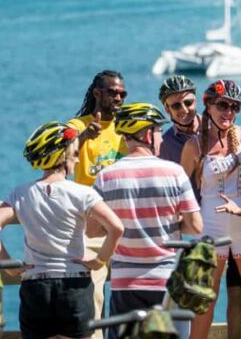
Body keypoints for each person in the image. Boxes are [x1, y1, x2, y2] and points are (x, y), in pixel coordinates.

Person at [0, 121, 124, 339]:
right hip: (74, 283)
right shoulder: (82, 193)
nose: (77, 159)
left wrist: (9, 266)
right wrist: (99, 260)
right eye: (75, 154)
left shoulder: (21, 193)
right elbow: (116, 227)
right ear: (62, 157)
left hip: (36, 284)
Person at [92, 103, 203, 339]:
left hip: (125, 283)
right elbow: (196, 225)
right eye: (157, 131)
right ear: (145, 135)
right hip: (167, 281)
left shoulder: (105, 177)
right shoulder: (174, 172)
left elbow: (92, 230)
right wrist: (172, 225)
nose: (161, 137)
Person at [181, 80, 241, 339]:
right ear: (208, 104)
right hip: (210, 227)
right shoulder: (193, 145)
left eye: (235, 107)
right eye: (223, 104)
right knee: (203, 303)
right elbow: (179, 189)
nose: (229, 112)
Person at [158, 75, 241, 338]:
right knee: (200, 295)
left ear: (198, 101)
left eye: (188, 102)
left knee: (238, 291)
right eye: (176, 106)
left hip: (234, 219)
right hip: (198, 229)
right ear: (167, 109)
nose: (184, 110)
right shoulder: (165, 145)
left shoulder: (221, 123)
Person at [66, 70, 128, 334]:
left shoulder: (127, 127)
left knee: (128, 301)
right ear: (97, 93)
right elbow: (61, 163)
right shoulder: (76, 126)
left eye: (122, 93)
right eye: (112, 92)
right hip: (89, 229)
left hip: (125, 226)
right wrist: (82, 140)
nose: (118, 98)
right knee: (93, 299)